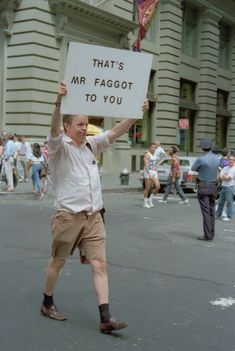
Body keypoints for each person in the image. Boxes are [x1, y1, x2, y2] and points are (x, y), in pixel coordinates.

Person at [40, 81, 149, 334]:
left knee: (99, 263)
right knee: (57, 262)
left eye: (85, 124)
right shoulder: (59, 147)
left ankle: (105, 317)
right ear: (68, 126)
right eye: (79, 124)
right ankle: (47, 302)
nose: (84, 128)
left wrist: (135, 113)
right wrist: (58, 102)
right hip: (68, 217)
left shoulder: (91, 144)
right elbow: (53, 129)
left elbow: (115, 132)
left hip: (94, 217)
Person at [191, 139, 220, 241]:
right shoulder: (217, 158)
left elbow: (193, 168)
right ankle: (211, 233)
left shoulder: (201, 159)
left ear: (202, 148)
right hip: (213, 187)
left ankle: (207, 235)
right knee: (212, 211)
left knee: (206, 212)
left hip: (204, 186)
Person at [215, 154, 235, 222]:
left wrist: (223, 176)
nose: (231, 161)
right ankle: (218, 215)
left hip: (230, 187)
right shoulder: (225, 168)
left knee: (229, 202)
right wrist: (224, 176)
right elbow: (219, 177)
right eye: (230, 159)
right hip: (224, 186)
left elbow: (227, 178)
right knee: (221, 202)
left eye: (233, 160)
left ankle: (228, 216)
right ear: (228, 160)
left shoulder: (234, 169)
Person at [143, 142, 160, 208]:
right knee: (147, 188)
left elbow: (155, 164)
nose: (154, 149)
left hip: (154, 171)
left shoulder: (155, 155)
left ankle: (150, 199)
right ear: (150, 147)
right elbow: (146, 165)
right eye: (153, 147)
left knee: (158, 186)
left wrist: (156, 170)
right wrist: (149, 174)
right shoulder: (147, 155)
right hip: (148, 171)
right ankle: (145, 202)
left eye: (155, 147)